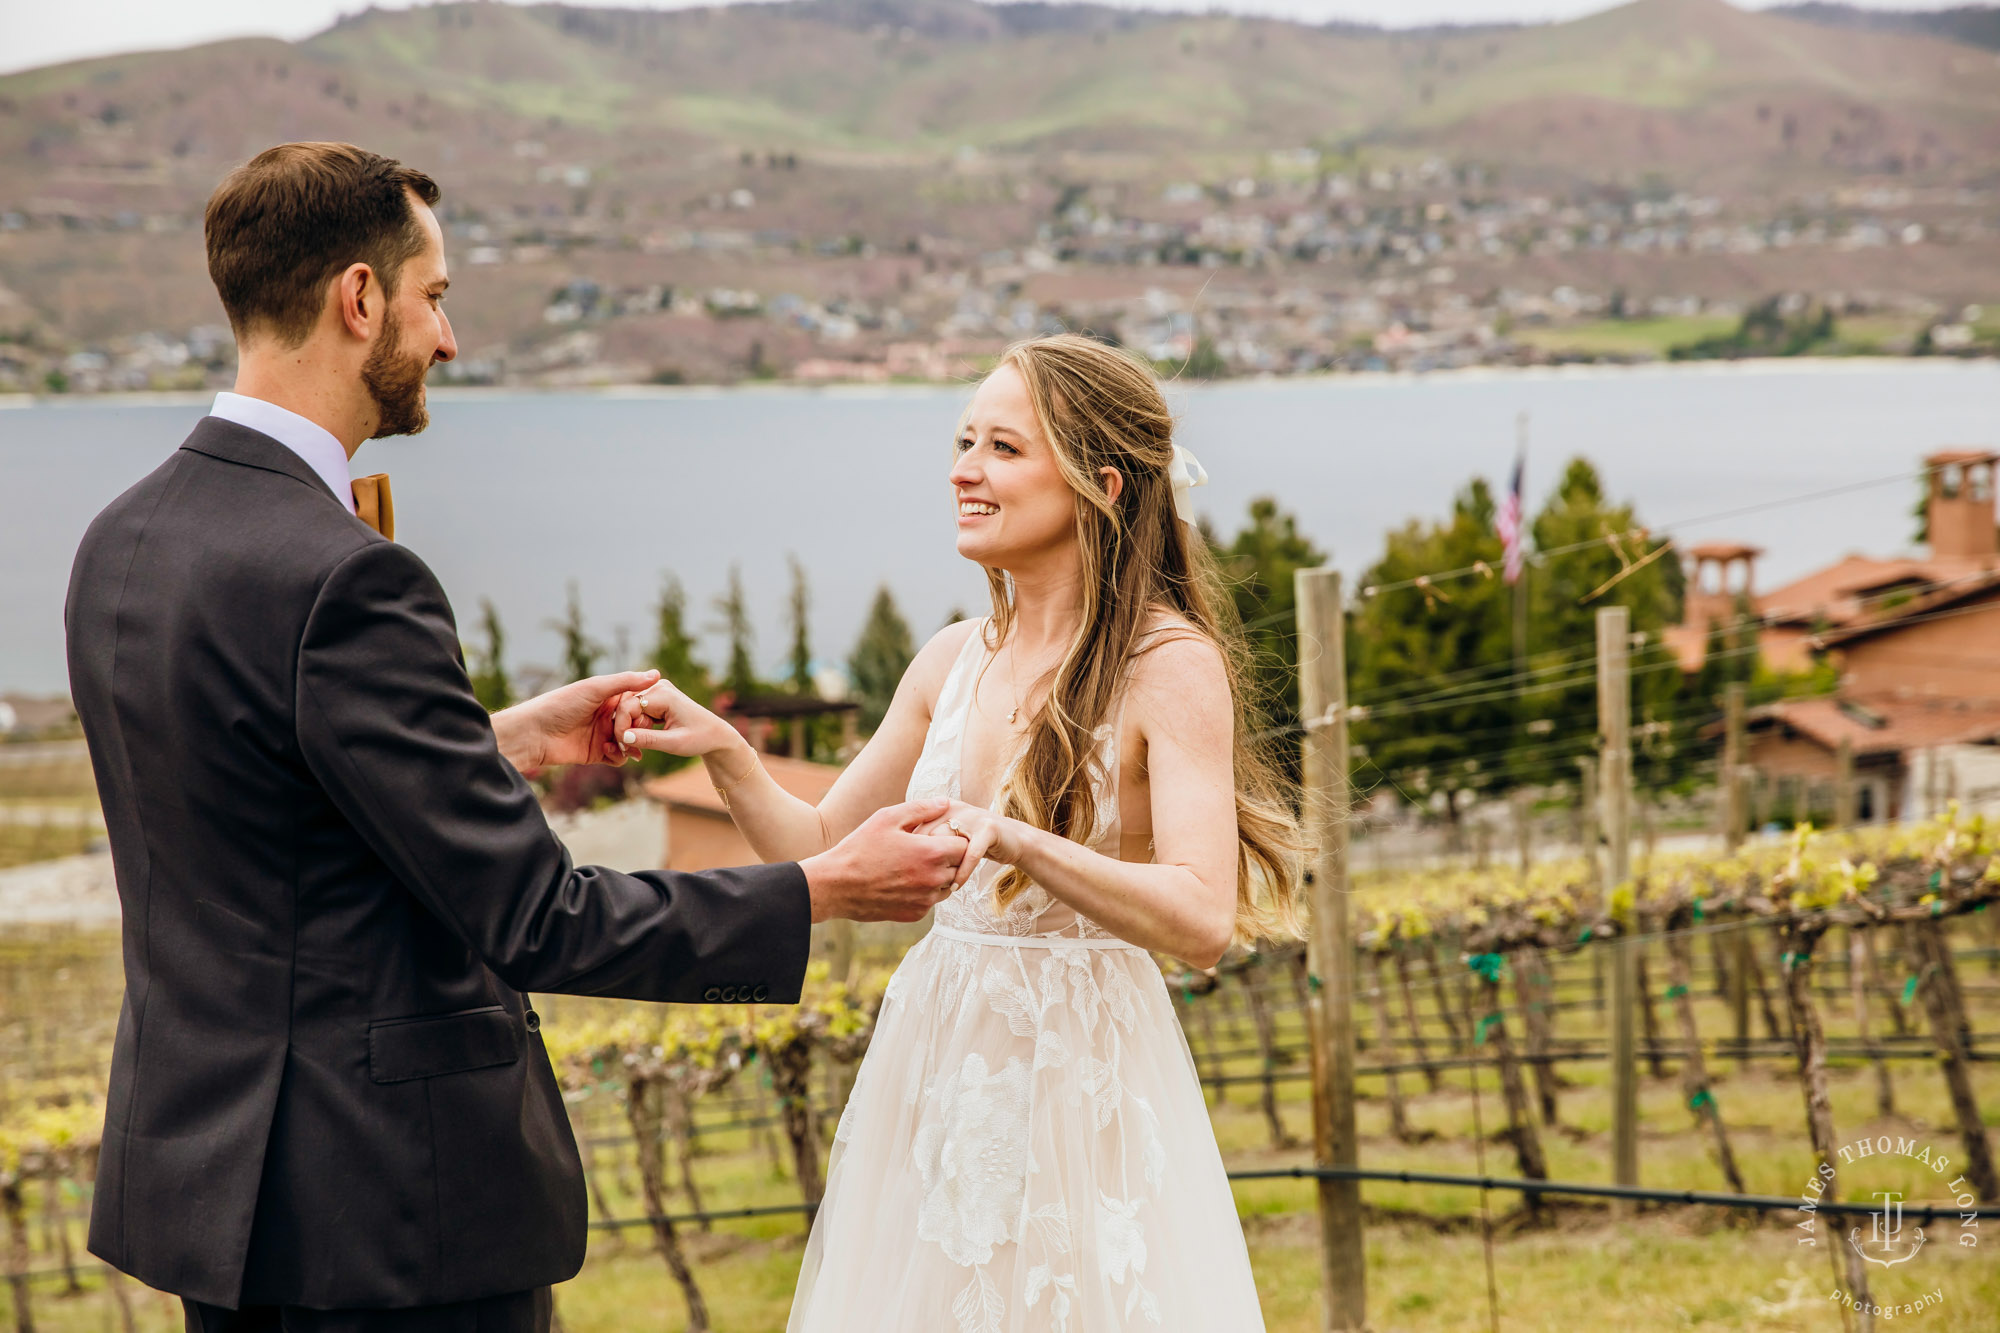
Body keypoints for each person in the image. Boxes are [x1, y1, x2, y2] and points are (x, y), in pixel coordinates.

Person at [63, 141, 969, 1333]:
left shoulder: (123, 541)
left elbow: (255, 796)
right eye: (435, 298)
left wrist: (489, 742)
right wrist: (819, 888)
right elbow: (537, 916)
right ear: (358, 297)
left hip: (220, 1195)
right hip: (392, 1213)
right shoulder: (347, 581)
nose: (447, 340)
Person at [622, 332, 1306, 1331]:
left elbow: (1199, 918)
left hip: (1085, 1074)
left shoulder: (1169, 663)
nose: (963, 470)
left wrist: (1018, 839)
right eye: (961, 441)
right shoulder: (950, 659)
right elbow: (811, 843)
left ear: (1099, 484)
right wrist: (726, 748)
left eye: (1000, 447)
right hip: (938, 1064)